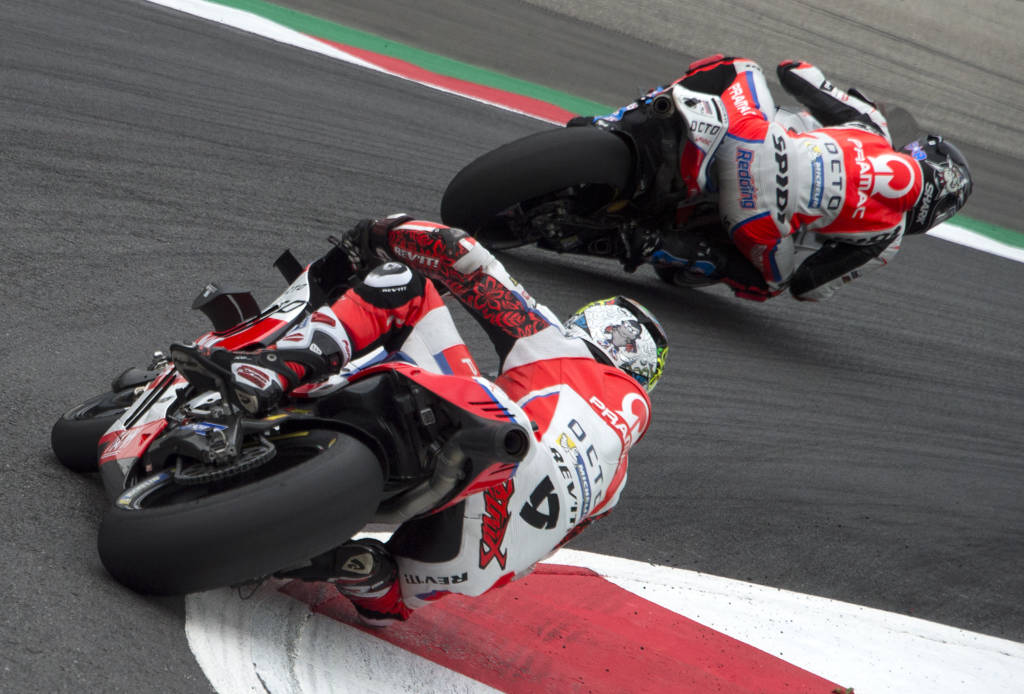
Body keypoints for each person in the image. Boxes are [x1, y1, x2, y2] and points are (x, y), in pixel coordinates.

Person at [208, 214, 668, 626]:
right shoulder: (615, 479)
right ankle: (373, 581)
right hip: (478, 557)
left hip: (490, 447)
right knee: (396, 596)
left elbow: (462, 256)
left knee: (407, 285)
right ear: (644, 381)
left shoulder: (563, 348)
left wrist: (376, 235)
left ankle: (275, 369)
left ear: (587, 325)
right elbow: (539, 554)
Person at [590, 55, 974, 301]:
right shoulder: (886, 241)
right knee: (773, 283)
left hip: (750, 139)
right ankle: (657, 245)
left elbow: (793, 72)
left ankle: (625, 118)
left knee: (738, 67)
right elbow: (809, 286)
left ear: (918, 155)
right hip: (756, 216)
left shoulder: (873, 126)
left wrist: (854, 102)